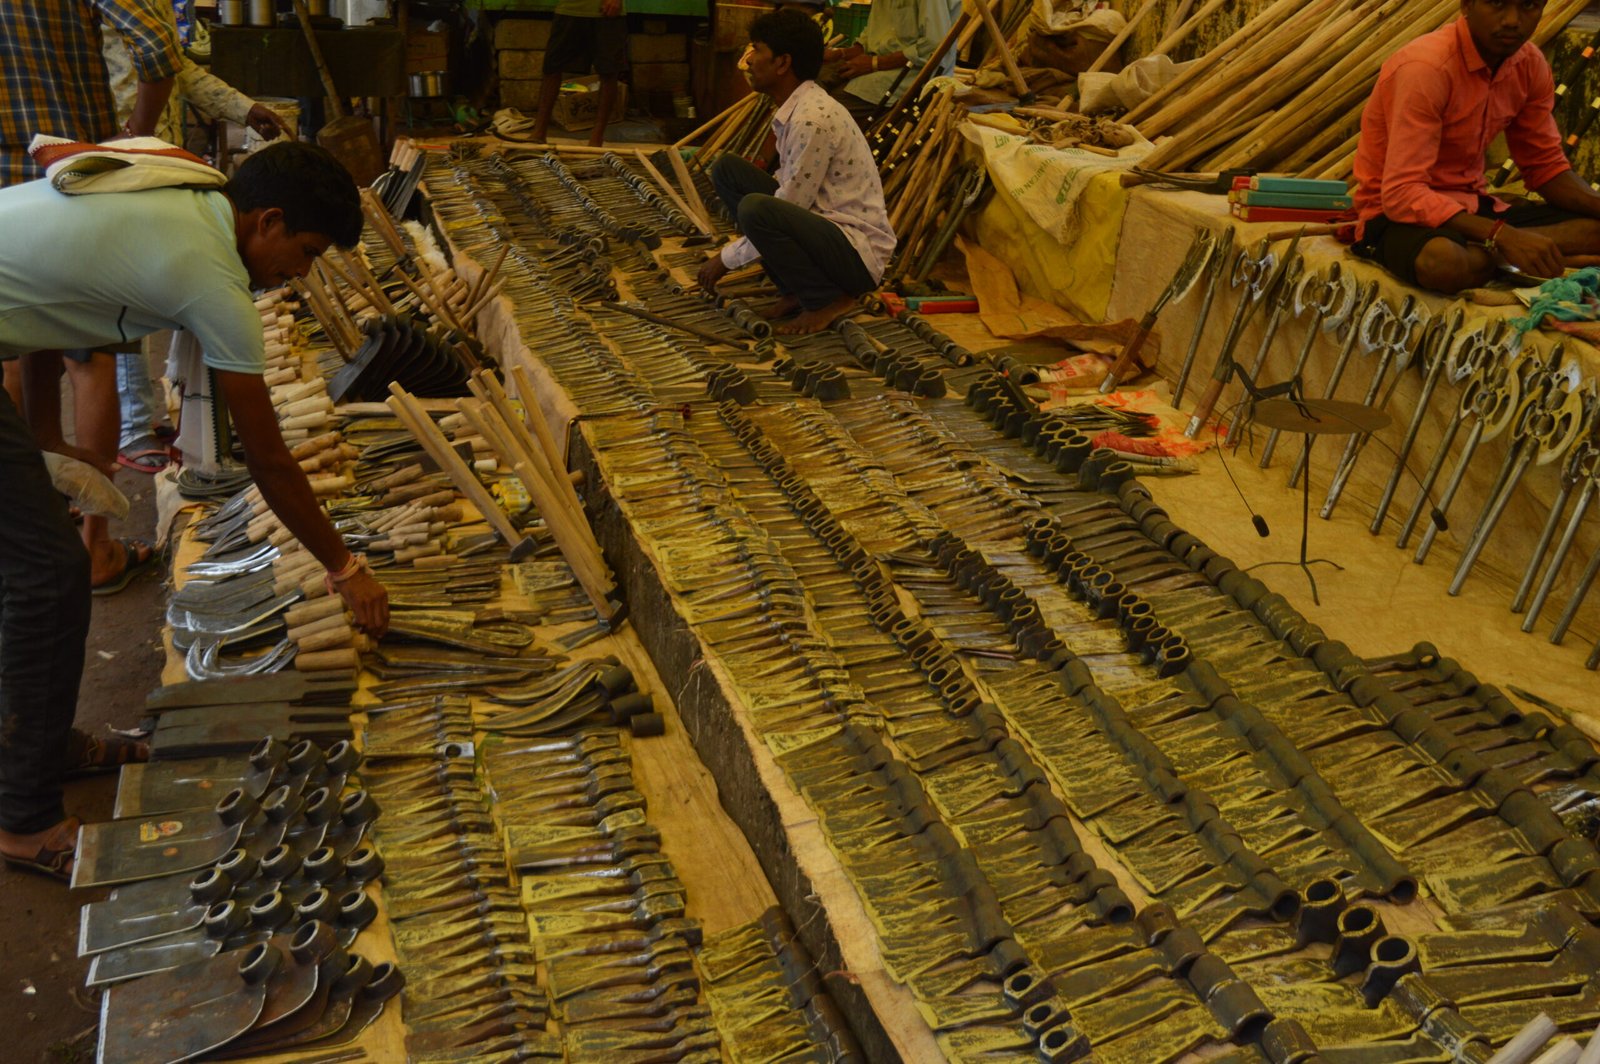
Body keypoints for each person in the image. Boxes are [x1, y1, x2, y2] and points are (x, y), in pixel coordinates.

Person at [0, 141, 390, 880]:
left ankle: (40, 748)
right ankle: (23, 820)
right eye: (305, 252)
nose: (301, 273)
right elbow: (268, 458)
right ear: (268, 221)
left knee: (41, 569)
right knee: (46, 576)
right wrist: (344, 568)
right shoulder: (211, 274)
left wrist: (47, 436)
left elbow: (47, 303)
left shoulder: (188, 188)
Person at [1, 0, 184, 593]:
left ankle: (33, 538)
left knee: (14, 348)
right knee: (91, 358)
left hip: (7, 190)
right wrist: (137, 136)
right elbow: (158, 48)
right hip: (69, 180)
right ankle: (94, 549)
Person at [103, 2, 297, 478]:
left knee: (152, 281)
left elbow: (175, 67)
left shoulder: (156, 6)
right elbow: (153, 56)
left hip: (156, 159)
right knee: (122, 295)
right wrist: (136, 133)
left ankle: (164, 413)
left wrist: (243, 108)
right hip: (118, 156)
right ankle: (132, 427)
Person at [1353, 0, 1600, 293]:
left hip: (1473, 210)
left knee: (1595, 231)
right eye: (1497, 3)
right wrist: (1502, 236)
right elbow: (1401, 194)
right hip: (1397, 216)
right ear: (1466, 5)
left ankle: (1491, 255)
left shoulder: (1529, 65)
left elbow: (1545, 167)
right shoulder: (1426, 68)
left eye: (1529, 5)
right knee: (1443, 263)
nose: (1512, 20)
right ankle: (1504, 255)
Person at [697, 10, 895, 335]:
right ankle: (794, 290)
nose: (749, 61)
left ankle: (825, 300)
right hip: (827, 231)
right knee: (728, 170)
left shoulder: (810, 120)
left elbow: (789, 205)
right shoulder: (798, 109)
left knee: (758, 209)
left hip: (856, 254)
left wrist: (725, 259)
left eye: (757, 50)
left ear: (782, 63)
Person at [824, 0, 960, 117]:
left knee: (830, 107)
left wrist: (874, 63)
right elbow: (872, 33)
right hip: (880, 64)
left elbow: (933, 45)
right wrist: (841, 53)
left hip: (913, 74)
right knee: (819, 78)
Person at [529, 0, 625, 148]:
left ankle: (596, 139)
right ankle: (538, 133)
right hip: (569, 9)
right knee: (551, 68)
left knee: (609, 72)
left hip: (606, 12)